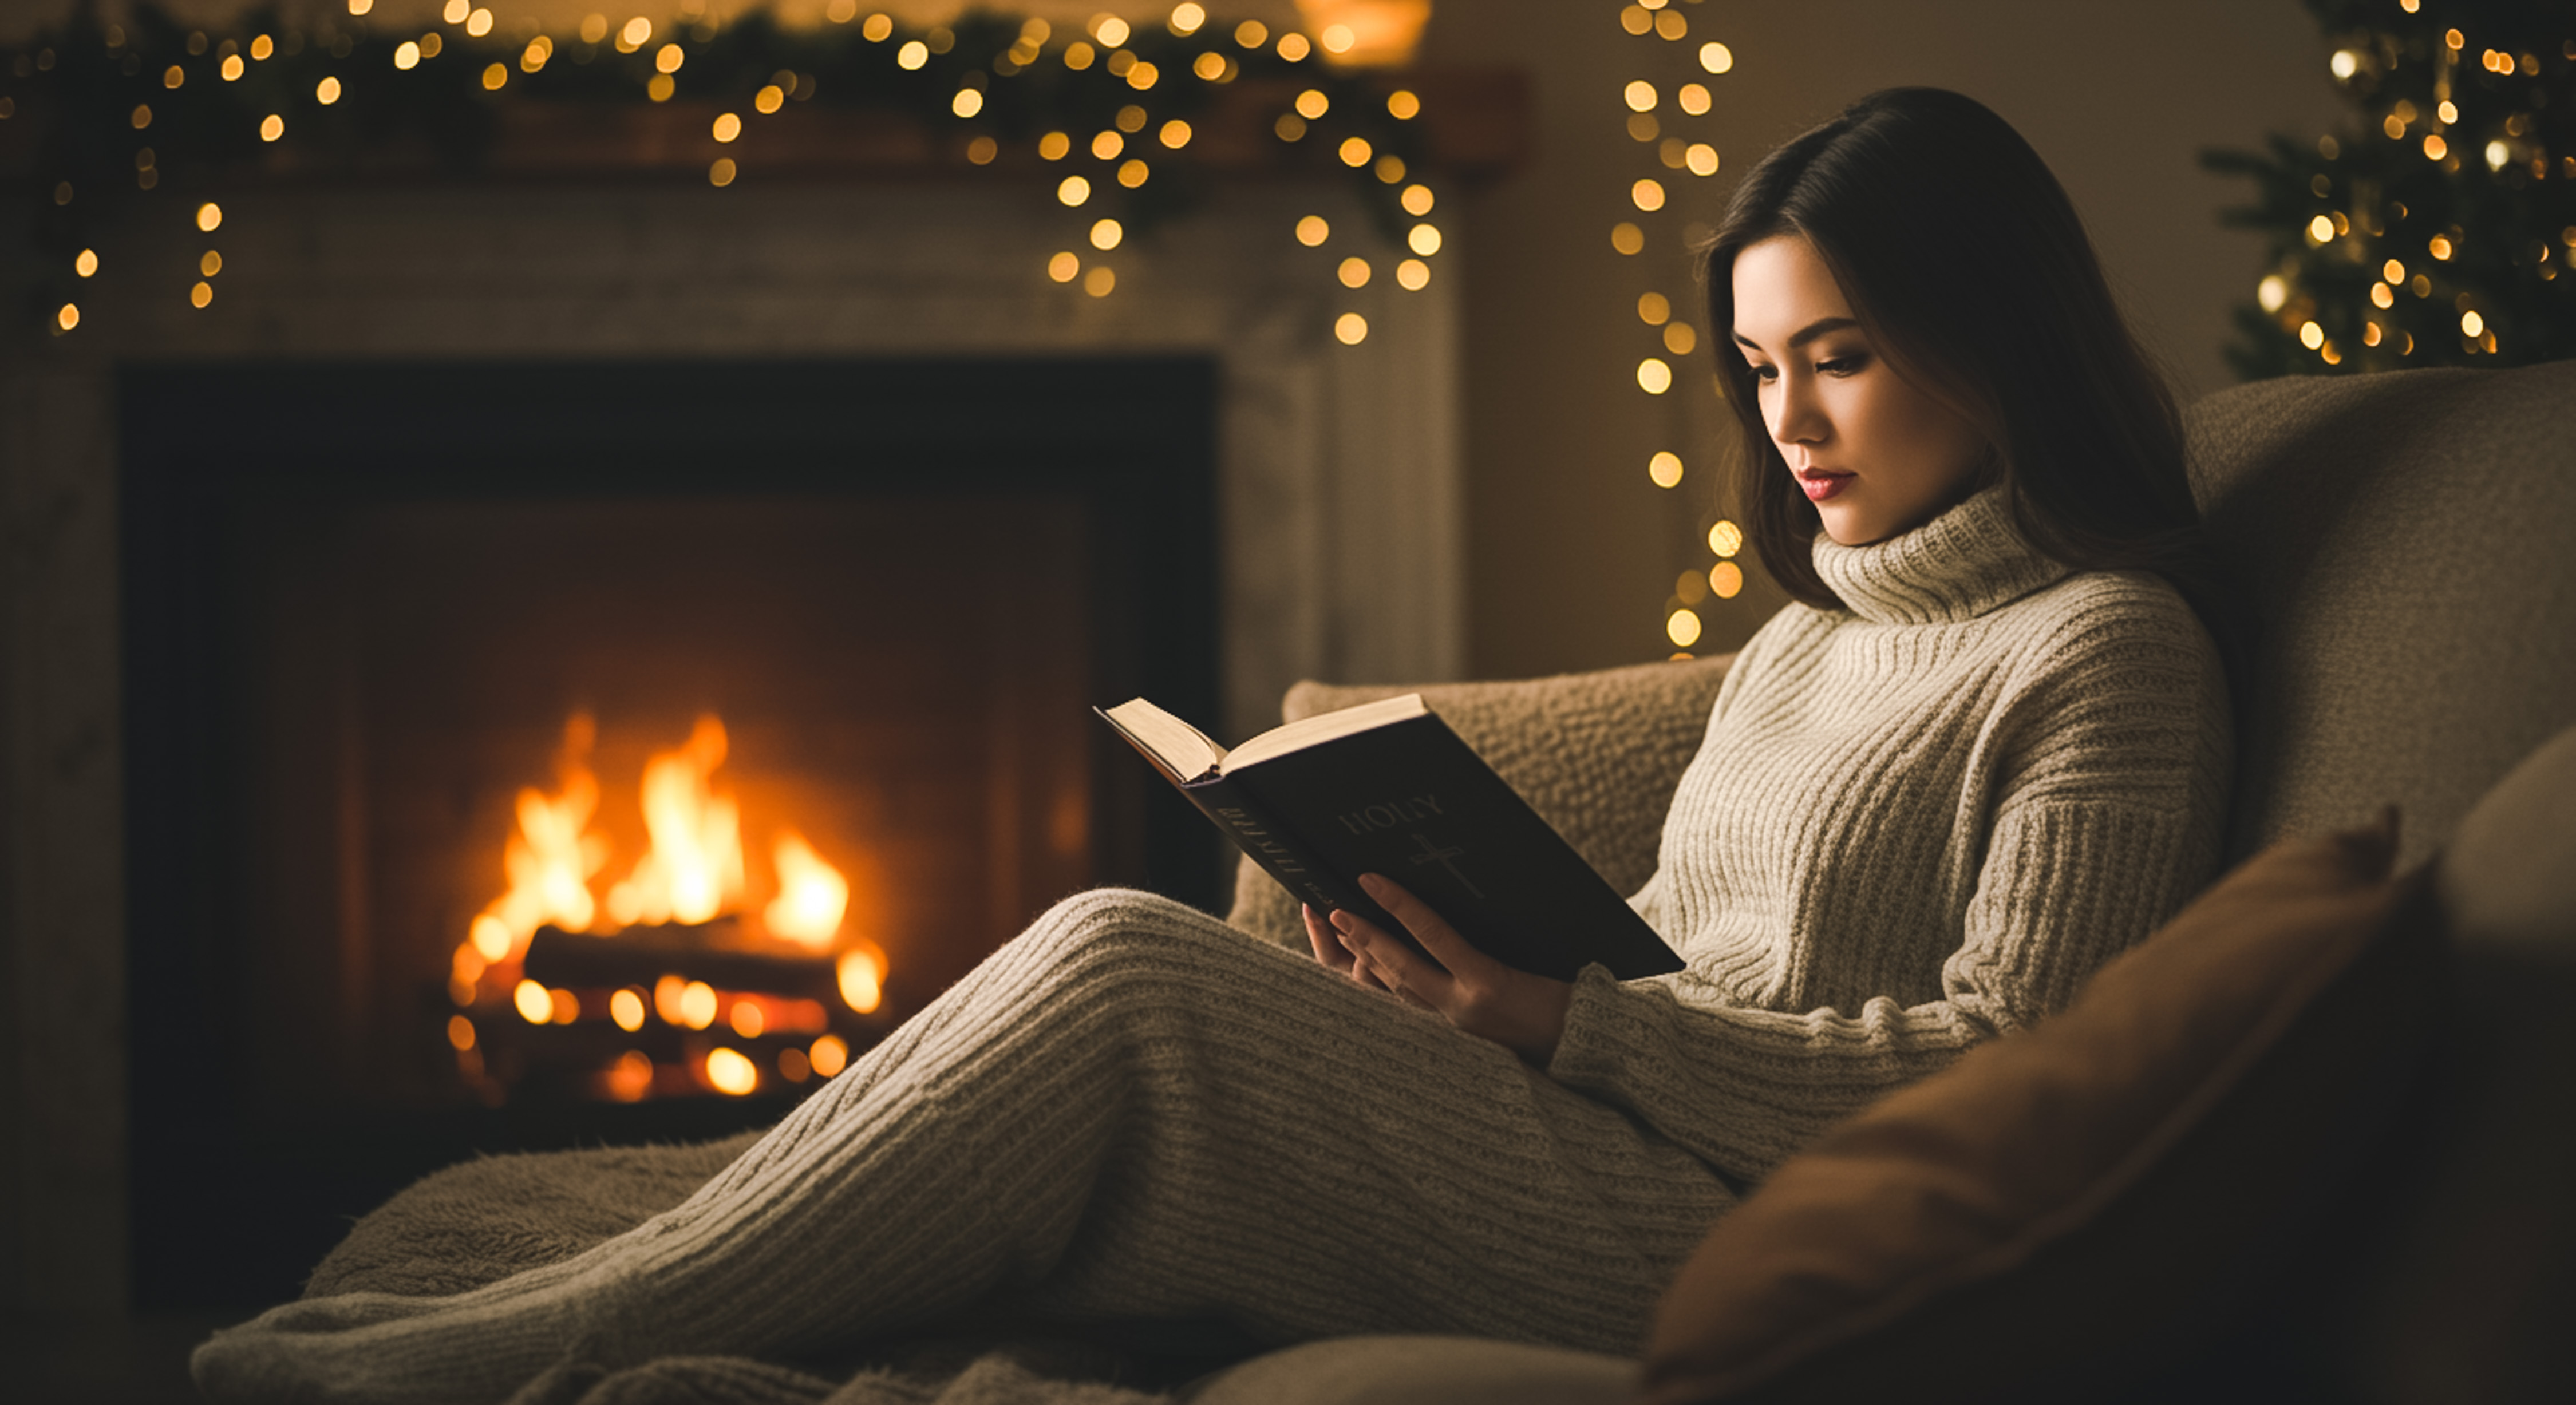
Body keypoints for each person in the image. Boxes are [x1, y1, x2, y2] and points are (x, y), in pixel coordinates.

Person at [193, 86, 2232, 1404]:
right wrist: (1477, 980)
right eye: (1761, 367)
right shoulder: (1804, 642)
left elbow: (2005, 1087)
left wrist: (1564, 1031)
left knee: (1124, 964)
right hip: (1604, 1120)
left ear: (1989, 331)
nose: (1789, 422)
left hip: (1738, 1228)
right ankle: (616, 1300)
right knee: (1159, 976)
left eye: (1843, 358)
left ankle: (526, 1345)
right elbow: (1694, 970)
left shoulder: (2104, 655)